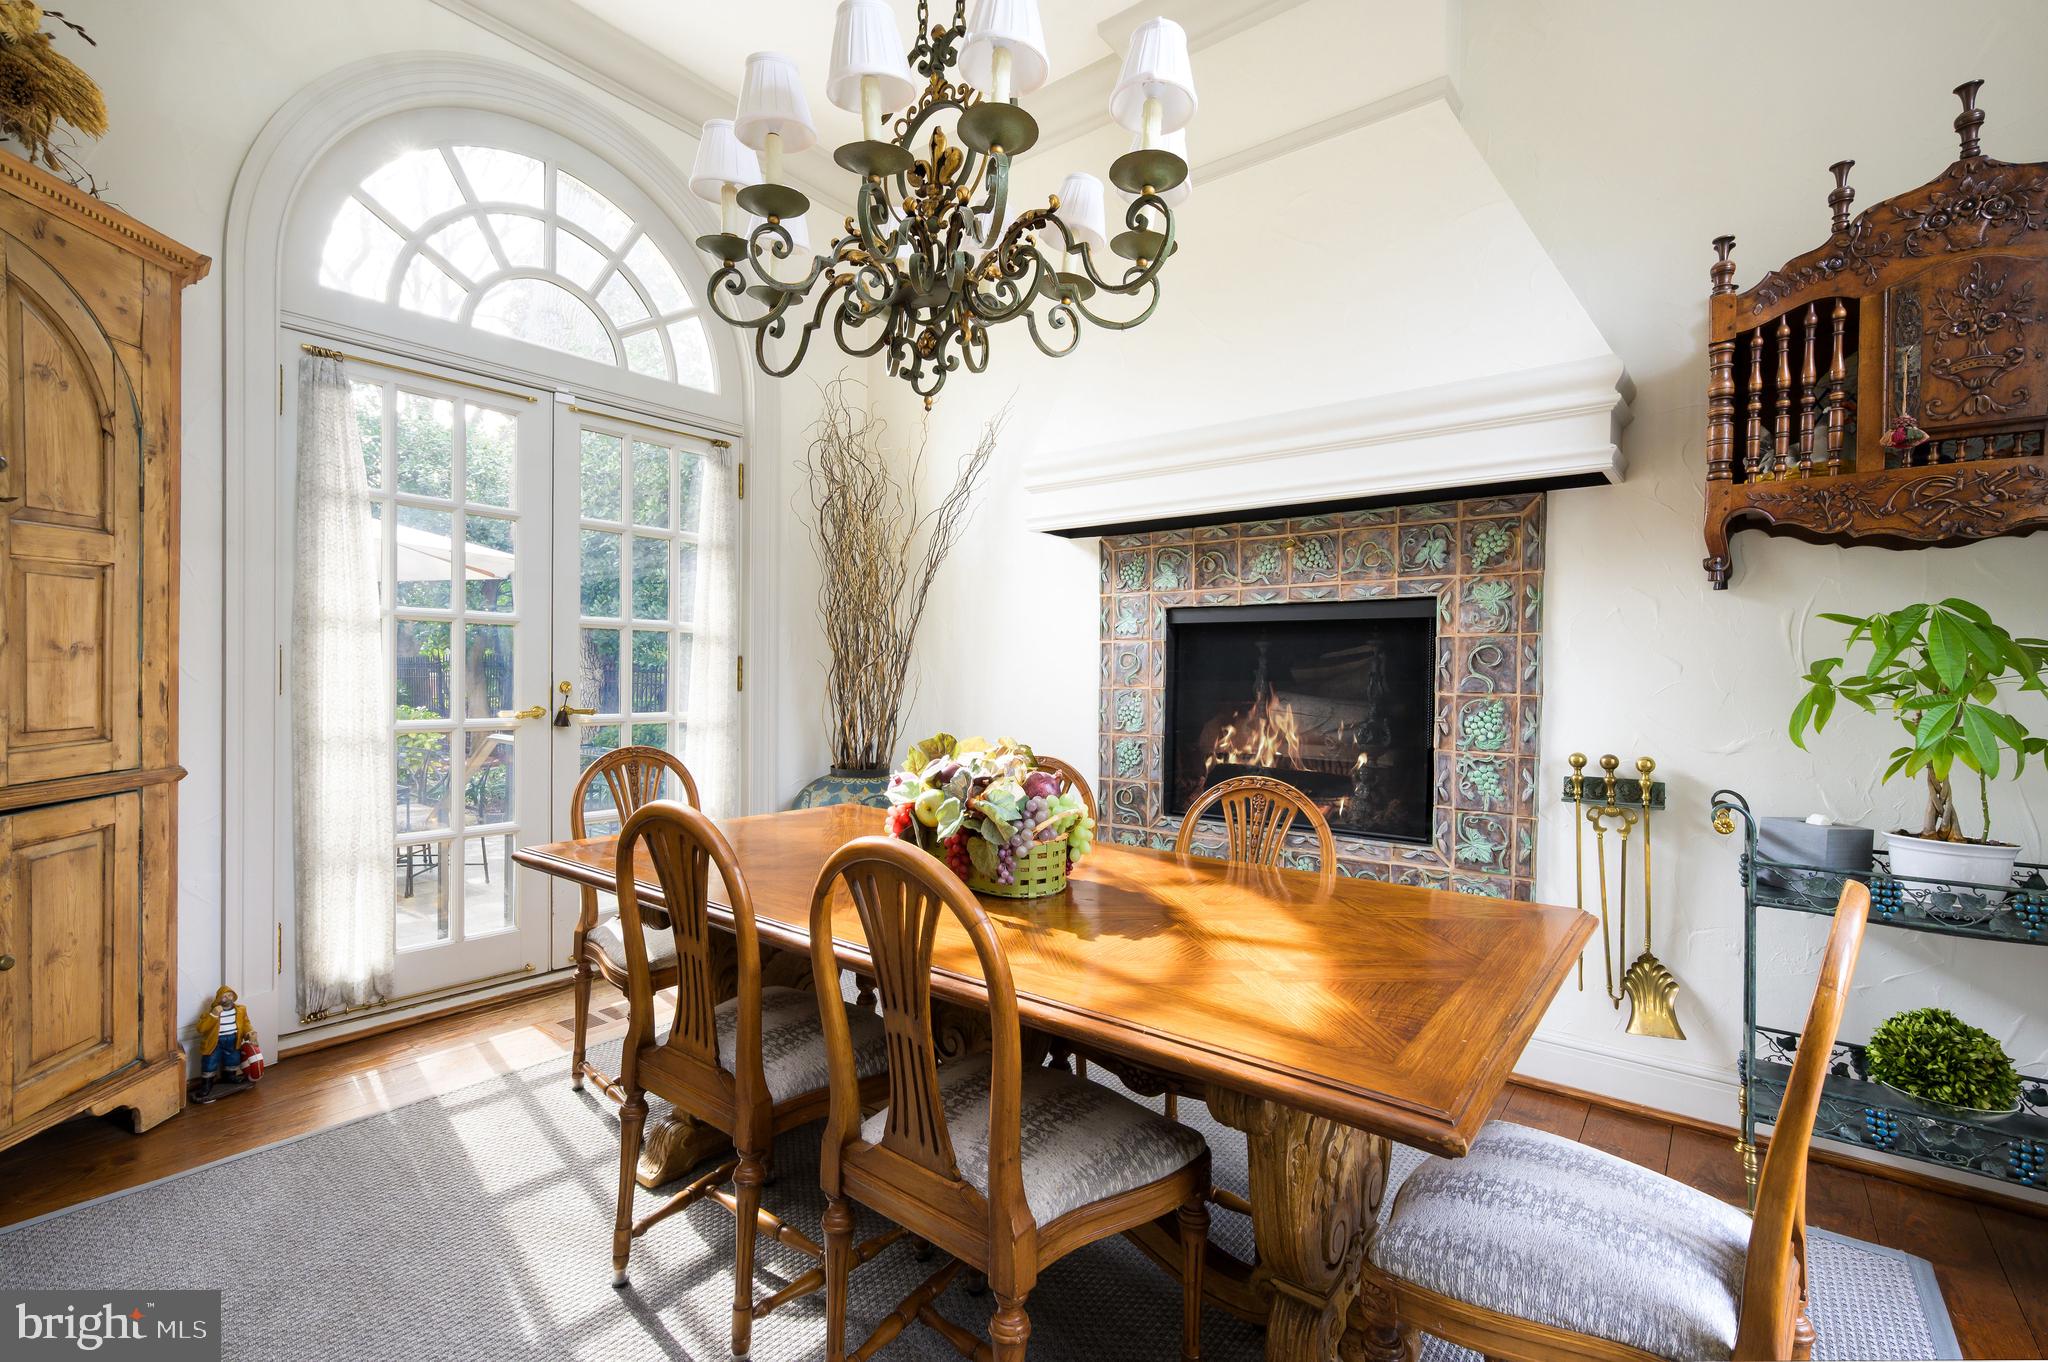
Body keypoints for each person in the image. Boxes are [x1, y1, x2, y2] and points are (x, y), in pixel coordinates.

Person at [193, 985, 258, 1102]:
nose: (228, 998)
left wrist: (250, 1032)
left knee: (233, 1059)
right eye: (224, 996)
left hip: (233, 1040)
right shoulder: (211, 1013)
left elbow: (245, 1024)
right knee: (210, 1062)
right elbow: (201, 1028)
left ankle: (230, 1077)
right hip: (216, 1042)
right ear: (219, 999)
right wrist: (213, 1015)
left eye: (230, 995)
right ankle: (207, 1085)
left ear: (234, 996)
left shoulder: (241, 1010)